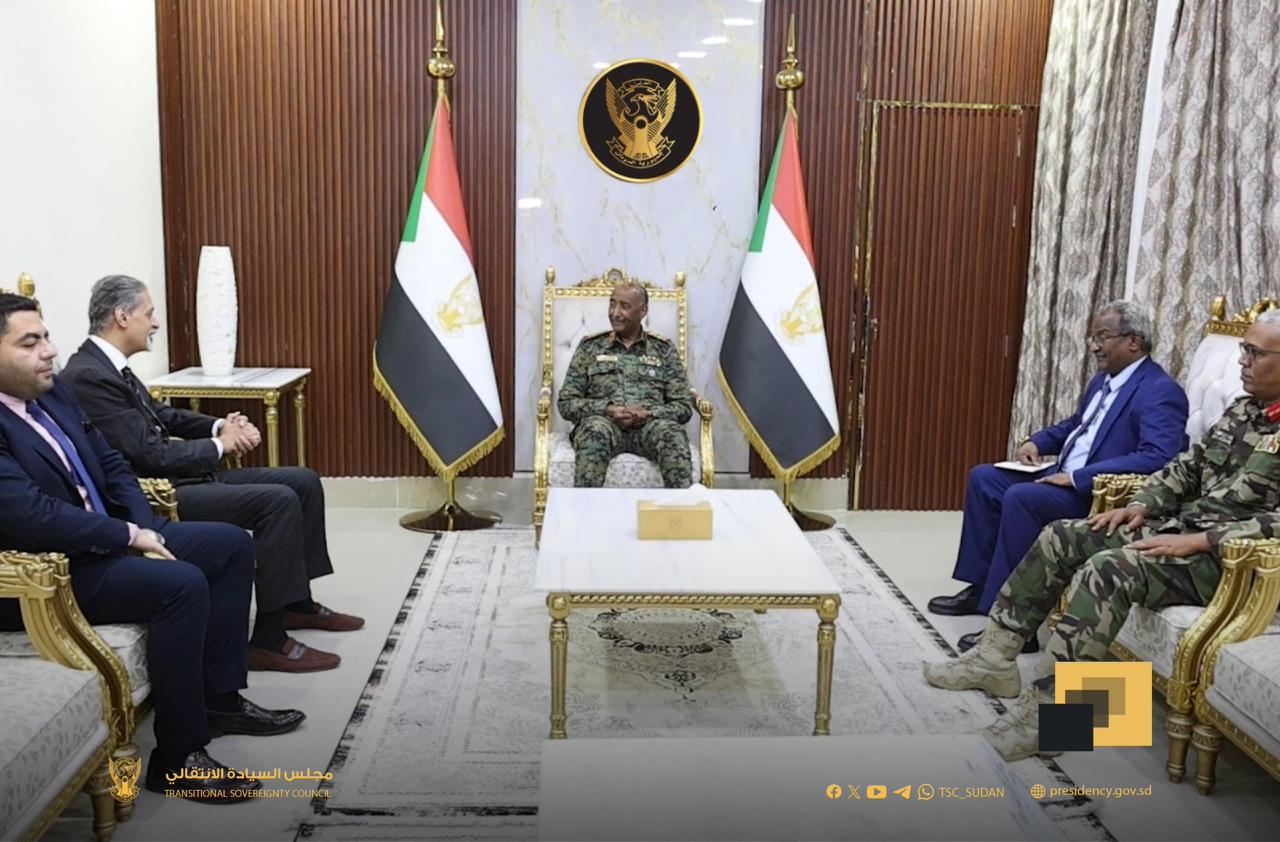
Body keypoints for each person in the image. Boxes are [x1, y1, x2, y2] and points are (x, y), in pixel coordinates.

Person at [923, 309, 1280, 761]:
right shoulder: (1245, 410)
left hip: (1234, 560)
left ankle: (1053, 722)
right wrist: (1142, 504)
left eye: (1254, 353)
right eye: (1244, 349)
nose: (1242, 361)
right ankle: (994, 659)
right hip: (1182, 529)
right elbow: (1186, 468)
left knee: (1109, 570)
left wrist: (1203, 541)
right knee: (1061, 536)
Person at [0, 293, 304, 802]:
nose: (48, 351)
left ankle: (220, 700)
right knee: (180, 584)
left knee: (230, 546)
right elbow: (32, 515)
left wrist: (145, 529)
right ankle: (178, 759)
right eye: (29, 343)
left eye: (46, 337)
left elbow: (112, 463)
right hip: (51, 570)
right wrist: (126, 537)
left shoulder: (51, 393)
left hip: (111, 538)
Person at [62, 276, 362, 674]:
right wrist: (221, 445)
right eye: (149, 314)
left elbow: (162, 416)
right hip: (160, 492)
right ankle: (269, 639)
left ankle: (294, 603)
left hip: (185, 476)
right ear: (122, 316)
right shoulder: (88, 375)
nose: (155, 323)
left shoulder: (112, 367)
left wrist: (220, 425)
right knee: (277, 502)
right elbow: (148, 453)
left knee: (302, 481)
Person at [928, 301, 1189, 655]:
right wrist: (1038, 441)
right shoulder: (1104, 380)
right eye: (1092, 338)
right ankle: (981, 587)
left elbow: (1159, 456)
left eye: (1103, 337)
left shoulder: (1160, 390)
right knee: (984, 478)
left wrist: (1079, 477)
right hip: (1062, 474)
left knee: (1022, 498)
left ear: (1134, 341)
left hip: (1096, 494)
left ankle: (1012, 625)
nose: (1094, 346)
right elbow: (1076, 426)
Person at [557, 281, 693, 488]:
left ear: (643, 311)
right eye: (612, 304)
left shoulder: (663, 350)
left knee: (672, 433)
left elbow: (683, 407)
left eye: (624, 306)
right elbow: (566, 403)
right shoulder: (590, 347)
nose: (615, 313)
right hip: (604, 425)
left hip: (649, 428)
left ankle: (680, 507)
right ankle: (585, 507)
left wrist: (648, 413)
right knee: (594, 431)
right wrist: (609, 410)